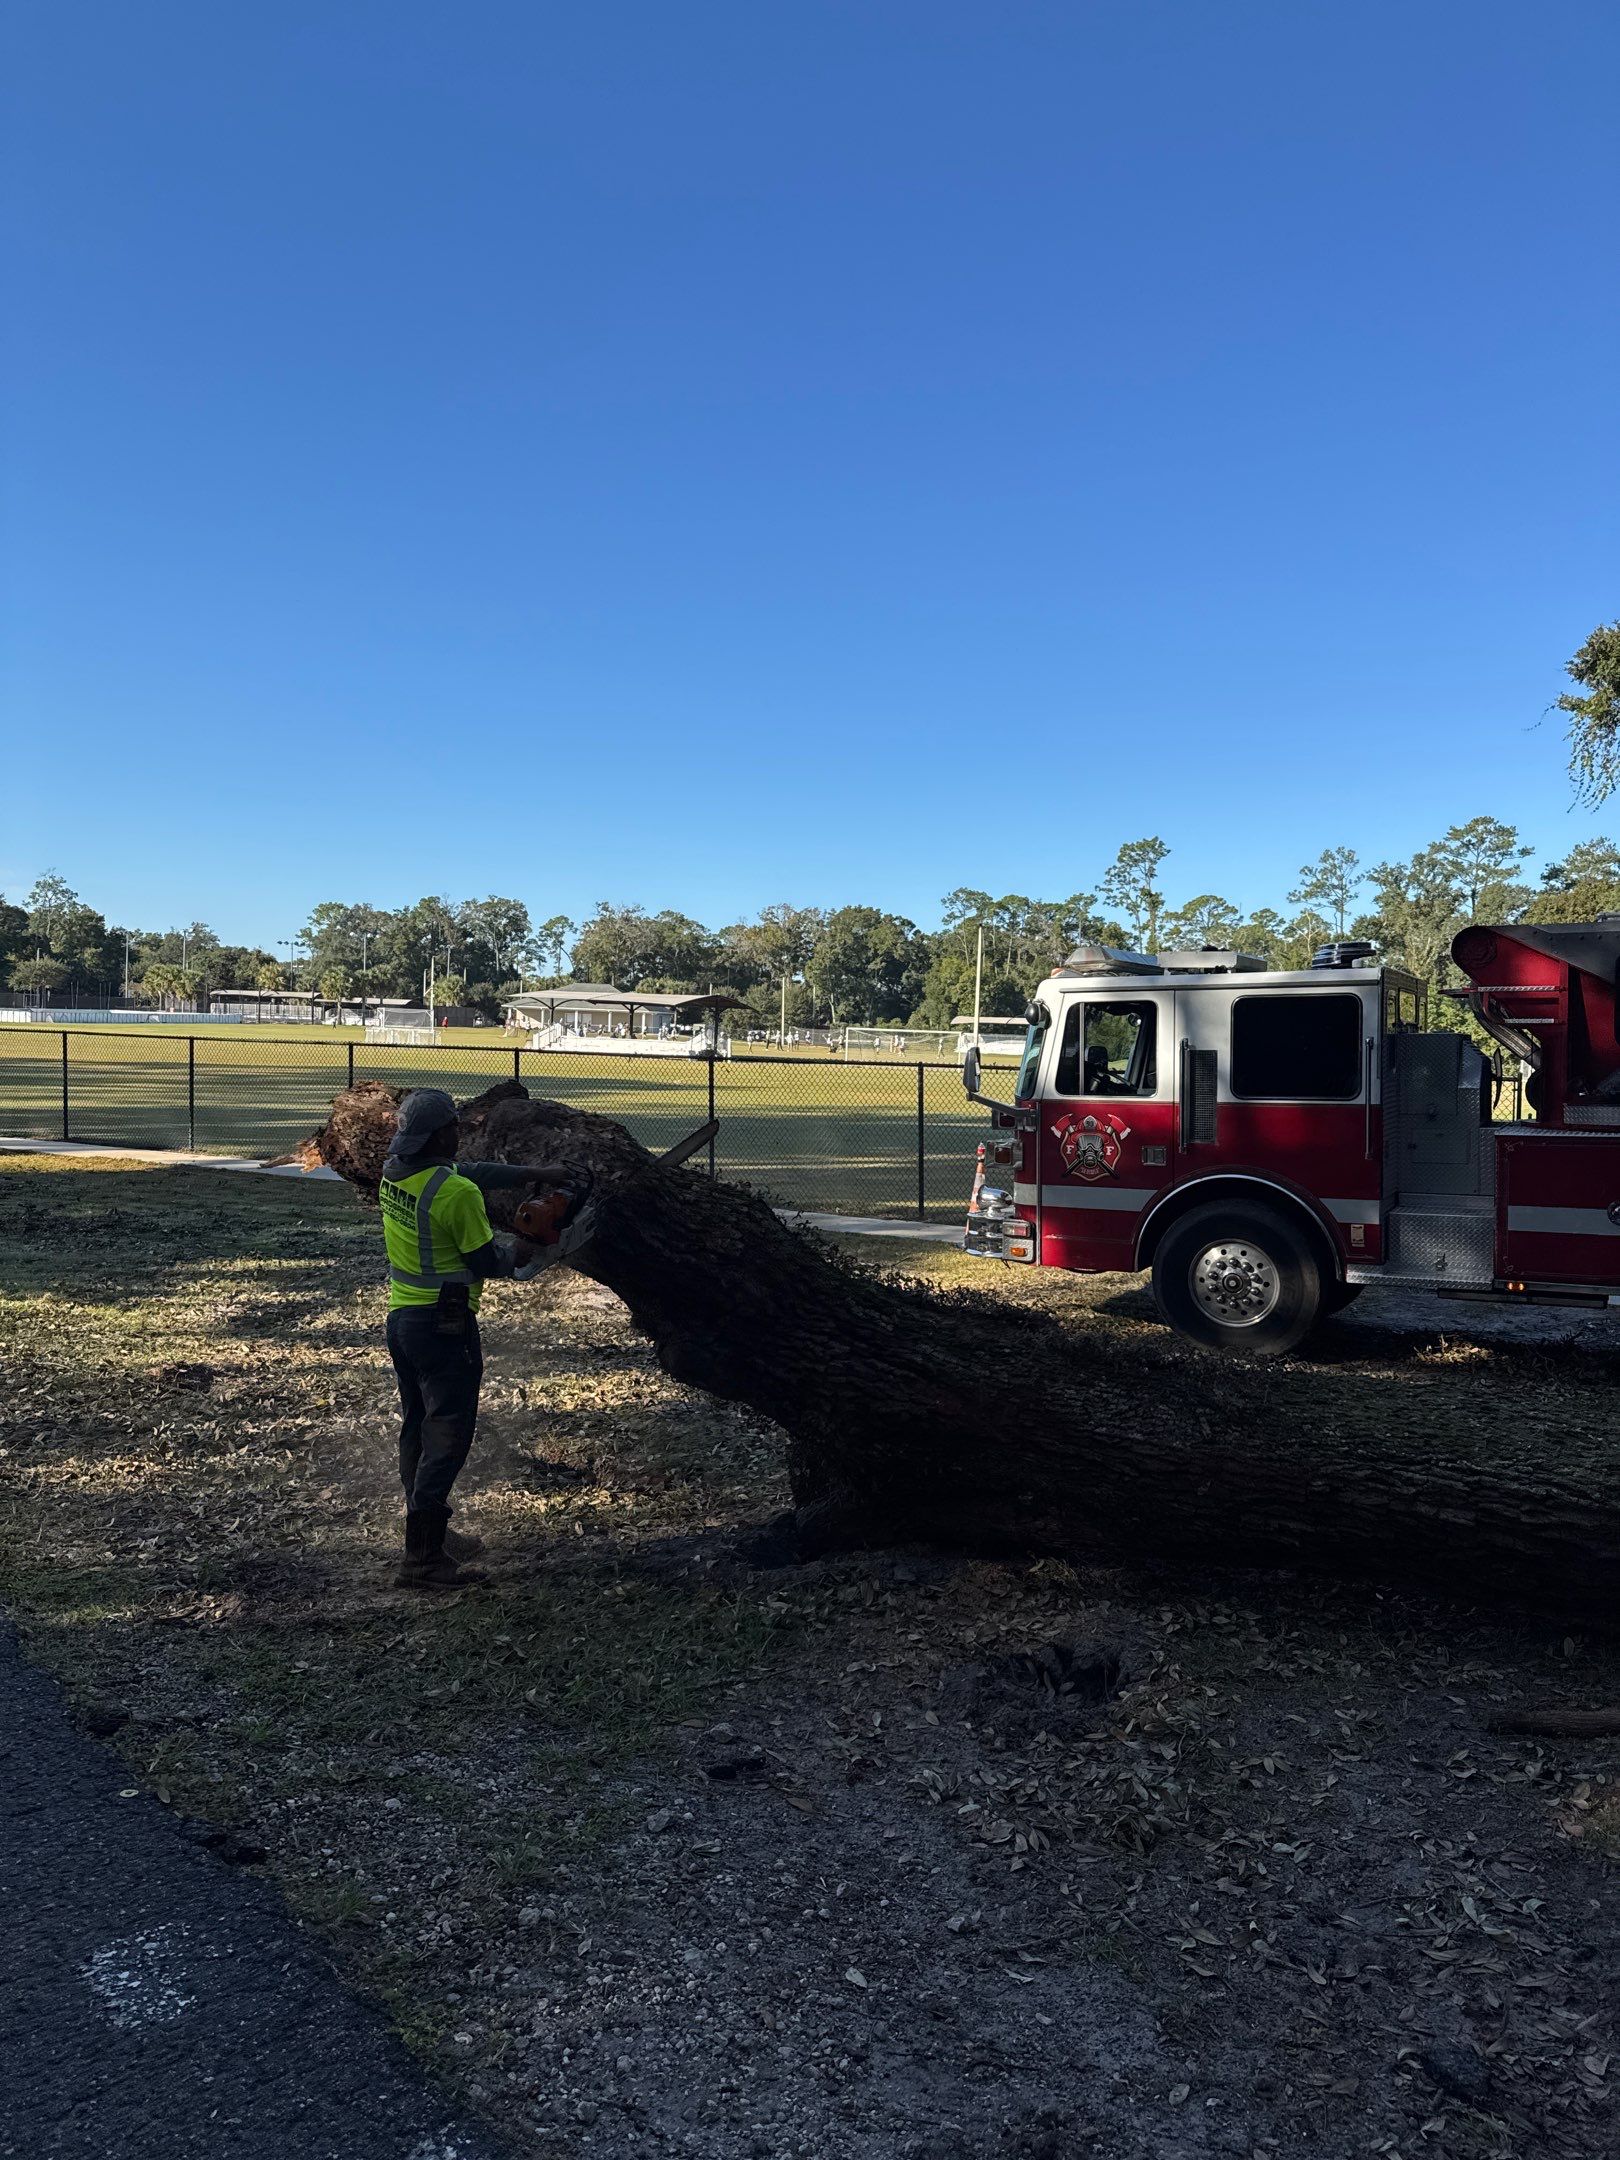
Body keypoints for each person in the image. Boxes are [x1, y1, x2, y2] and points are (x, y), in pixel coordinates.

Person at [378, 1087, 592, 1591]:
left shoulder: (397, 1175)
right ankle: (423, 1560)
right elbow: (485, 1262)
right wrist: (522, 1247)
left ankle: (429, 1536)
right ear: (441, 1135)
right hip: (445, 1326)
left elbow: (467, 1175)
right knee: (447, 1437)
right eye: (454, 1127)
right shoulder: (455, 1194)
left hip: (403, 1321)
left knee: (417, 1426)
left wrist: (534, 1177)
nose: (459, 1133)